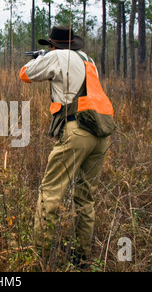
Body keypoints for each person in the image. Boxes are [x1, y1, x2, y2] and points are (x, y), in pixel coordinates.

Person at [19, 25, 116, 267]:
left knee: (50, 193)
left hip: (76, 130)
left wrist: (42, 58)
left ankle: (39, 258)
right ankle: (81, 257)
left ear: (54, 45)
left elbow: (25, 74)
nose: (48, 48)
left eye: (49, 45)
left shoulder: (56, 56)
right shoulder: (87, 59)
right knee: (85, 196)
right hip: (100, 133)